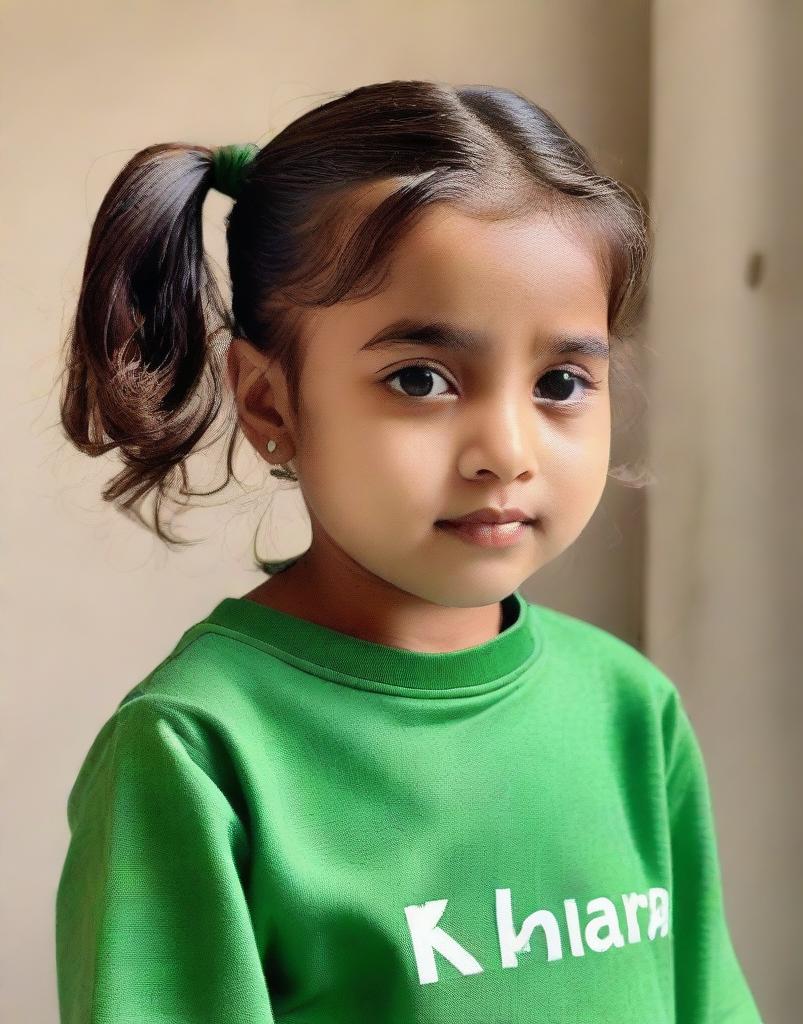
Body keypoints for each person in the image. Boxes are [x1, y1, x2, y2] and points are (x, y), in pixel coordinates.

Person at [53, 79, 763, 1023]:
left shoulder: (632, 711)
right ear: (271, 403)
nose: (506, 452)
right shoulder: (197, 751)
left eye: (560, 381)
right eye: (421, 379)